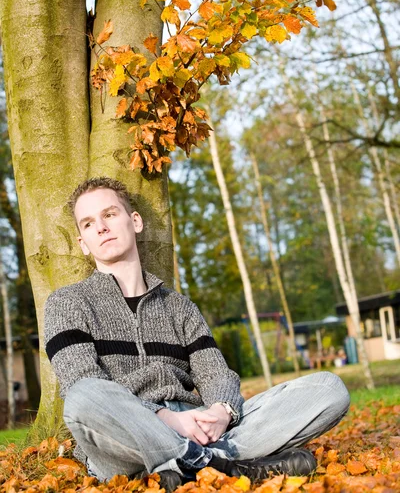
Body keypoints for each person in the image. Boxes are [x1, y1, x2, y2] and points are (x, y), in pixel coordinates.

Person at [44, 177, 350, 491]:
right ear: (83, 242)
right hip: (125, 438)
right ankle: (220, 466)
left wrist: (221, 411)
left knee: (329, 388)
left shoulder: (180, 307)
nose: (101, 227)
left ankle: (190, 465)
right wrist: (165, 420)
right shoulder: (67, 304)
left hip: (197, 426)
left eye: (109, 214)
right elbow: (81, 383)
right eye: (88, 223)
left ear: (134, 221)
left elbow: (215, 372)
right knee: (83, 396)